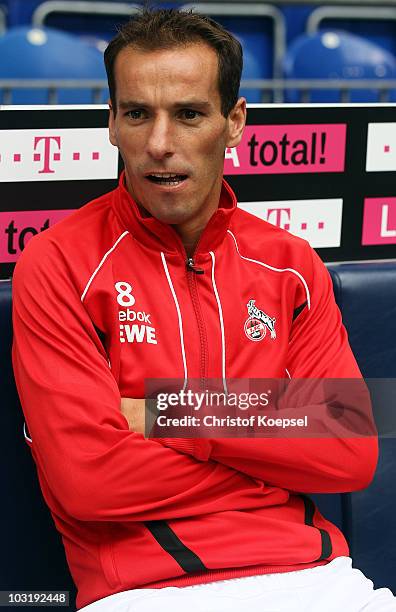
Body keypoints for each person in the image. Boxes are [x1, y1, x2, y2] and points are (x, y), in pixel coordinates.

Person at [11, 8, 395, 612]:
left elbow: (351, 451)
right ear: (111, 123)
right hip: (146, 593)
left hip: (319, 578)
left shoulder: (291, 264)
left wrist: (170, 412)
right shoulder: (57, 264)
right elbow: (89, 481)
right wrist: (274, 443)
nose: (160, 145)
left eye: (189, 114)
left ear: (234, 121)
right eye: (138, 113)